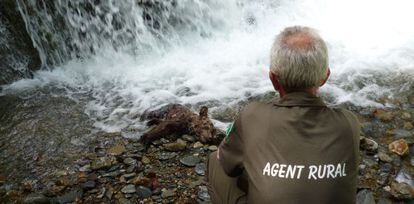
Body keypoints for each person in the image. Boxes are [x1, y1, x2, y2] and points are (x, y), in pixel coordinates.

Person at [207, 26, 360, 204]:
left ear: (273, 79)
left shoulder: (253, 115)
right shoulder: (349, 123)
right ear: (325, 77)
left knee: (215, 161)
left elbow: (228, 165)